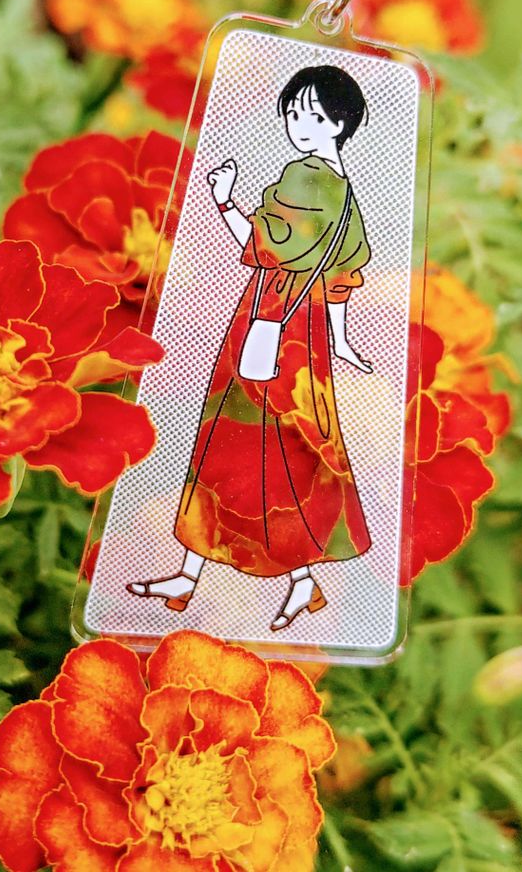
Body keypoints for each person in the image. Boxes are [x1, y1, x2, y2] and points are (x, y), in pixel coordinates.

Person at [128, 65, 373, 631]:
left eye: (313, 115)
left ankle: (204, 575)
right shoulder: (346, 192)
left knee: (232, 443)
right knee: (284, 454)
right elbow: (340, 276)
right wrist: (340, 340)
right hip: (305, 331)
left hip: (268, 316)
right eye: (294, 114)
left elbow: (262, 247)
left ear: (340, 124)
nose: (299, 125)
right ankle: (274, 581)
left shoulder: (302, 178)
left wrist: (225, 202)